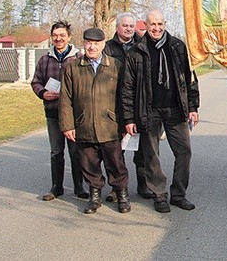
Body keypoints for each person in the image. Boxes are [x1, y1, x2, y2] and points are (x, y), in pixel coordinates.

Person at [122, 10, 200, 213]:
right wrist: (129, 118)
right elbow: (128, 88)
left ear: (165, 24)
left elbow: (190, 78)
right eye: (152, 24)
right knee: (151, 156)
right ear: (145, 26)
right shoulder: (136, 51)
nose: (156, 28)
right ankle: (159, 195)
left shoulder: (177, 47)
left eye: (159, 24)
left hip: (176, 109)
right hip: (150, 111)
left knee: (184, 152)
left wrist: (193, 107)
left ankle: (178, 194)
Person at [59, 28, 130, 214]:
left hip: (110, 124)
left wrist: (124, 123)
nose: (92, 47)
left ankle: (121, 194)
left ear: (103, 45)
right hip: (84, 125)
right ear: (83, 43)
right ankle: (95, 196)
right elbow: (65, 98)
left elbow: (124, 96)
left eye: (96, 43)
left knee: (116, 163)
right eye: (88, 43)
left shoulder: (115, 65)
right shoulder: (73, 67)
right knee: (89, 164)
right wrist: (68, 125)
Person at [31, 21, 87, 201]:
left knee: (75, 151)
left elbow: (86, 84)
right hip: (53, 112)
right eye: (55, 35)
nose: (58, 38)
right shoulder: (45, 59)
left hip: (72, 114)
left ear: (69, 37)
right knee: (56, 151)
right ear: (51, 37)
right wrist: (43, 93)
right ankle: (57, 187)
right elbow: (36, 82)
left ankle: (79, 187)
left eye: (62, 35)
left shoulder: (79, 58)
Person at [103, 12, 154, 202]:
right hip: (114, 104)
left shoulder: (144, 45)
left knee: (142, 150)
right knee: (116, 151)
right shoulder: (107, 48)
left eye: (132, 26)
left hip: (139, 104)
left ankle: (143, 184)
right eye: (125, 25)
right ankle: (117, 188)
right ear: (117, 27)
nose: (129, 29)